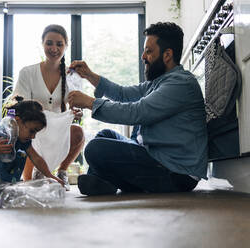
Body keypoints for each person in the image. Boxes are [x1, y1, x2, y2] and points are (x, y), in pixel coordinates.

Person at [68, 22, 208, 196]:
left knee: (95, 149)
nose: (143, 56)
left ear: (167, 55)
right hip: (155, 157)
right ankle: (105, 182)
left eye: (148, 51)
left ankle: (107, 181)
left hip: (175, 173)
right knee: (105, 135)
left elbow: (135, 112)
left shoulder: (180, 83)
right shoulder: (158, 82)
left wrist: (90, 102)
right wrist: (89, 75)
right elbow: (123, 94)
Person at [12, 24, 85, 190]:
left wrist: (77, 111)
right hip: (33, 131)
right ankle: (31, 176)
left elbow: (77, 102)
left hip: (57, 132)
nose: (54, 48)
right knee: (30, 185)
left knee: (79, 132)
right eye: (49, 43)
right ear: (42, 44)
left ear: (66, 46)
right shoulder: (27, 73)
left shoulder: (71, 76)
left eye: (59, 44)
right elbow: (16, 105)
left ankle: (62, 172)